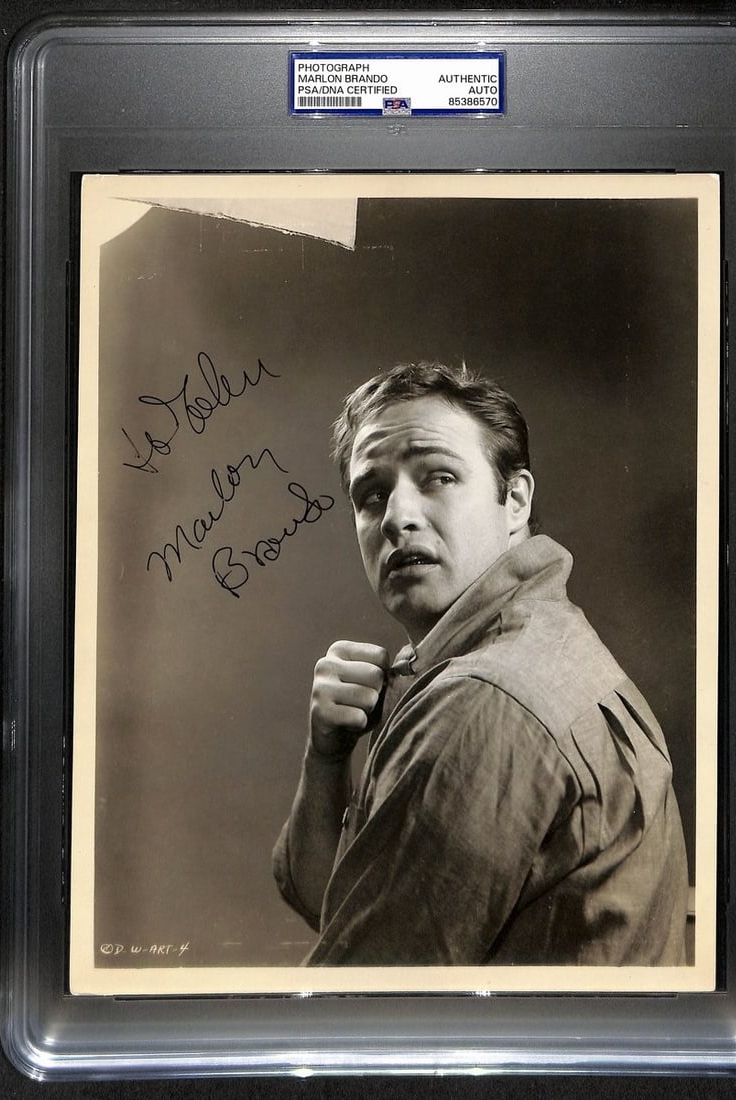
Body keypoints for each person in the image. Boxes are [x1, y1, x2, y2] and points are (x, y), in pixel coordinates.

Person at [273, 361, 689, 966]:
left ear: (515, 500)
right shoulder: (541, 646)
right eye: (371, 495)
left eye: (438, 476)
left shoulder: (482, 700)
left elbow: (355, 1004)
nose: (395, 516)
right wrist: (326, 758)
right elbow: (337, 907)